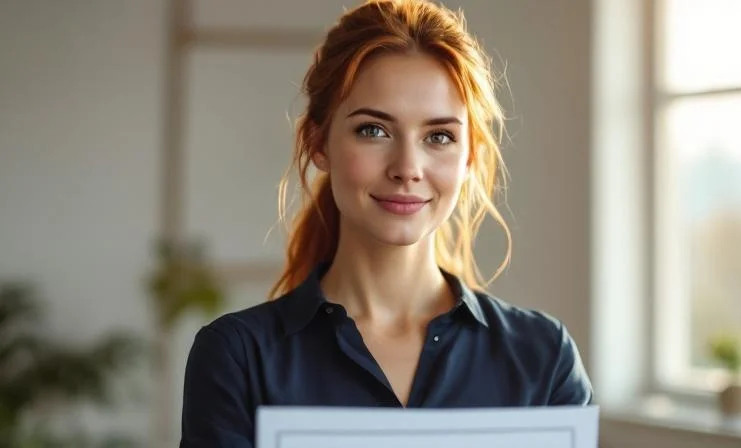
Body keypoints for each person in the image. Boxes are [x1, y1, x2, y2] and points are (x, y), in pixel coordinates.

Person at [180, 0, 593, 446]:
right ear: (318, 143)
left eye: (439, 137)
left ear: (469, 156)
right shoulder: (238, 358)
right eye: (373, 130)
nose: (407, 168)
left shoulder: (544, 356)